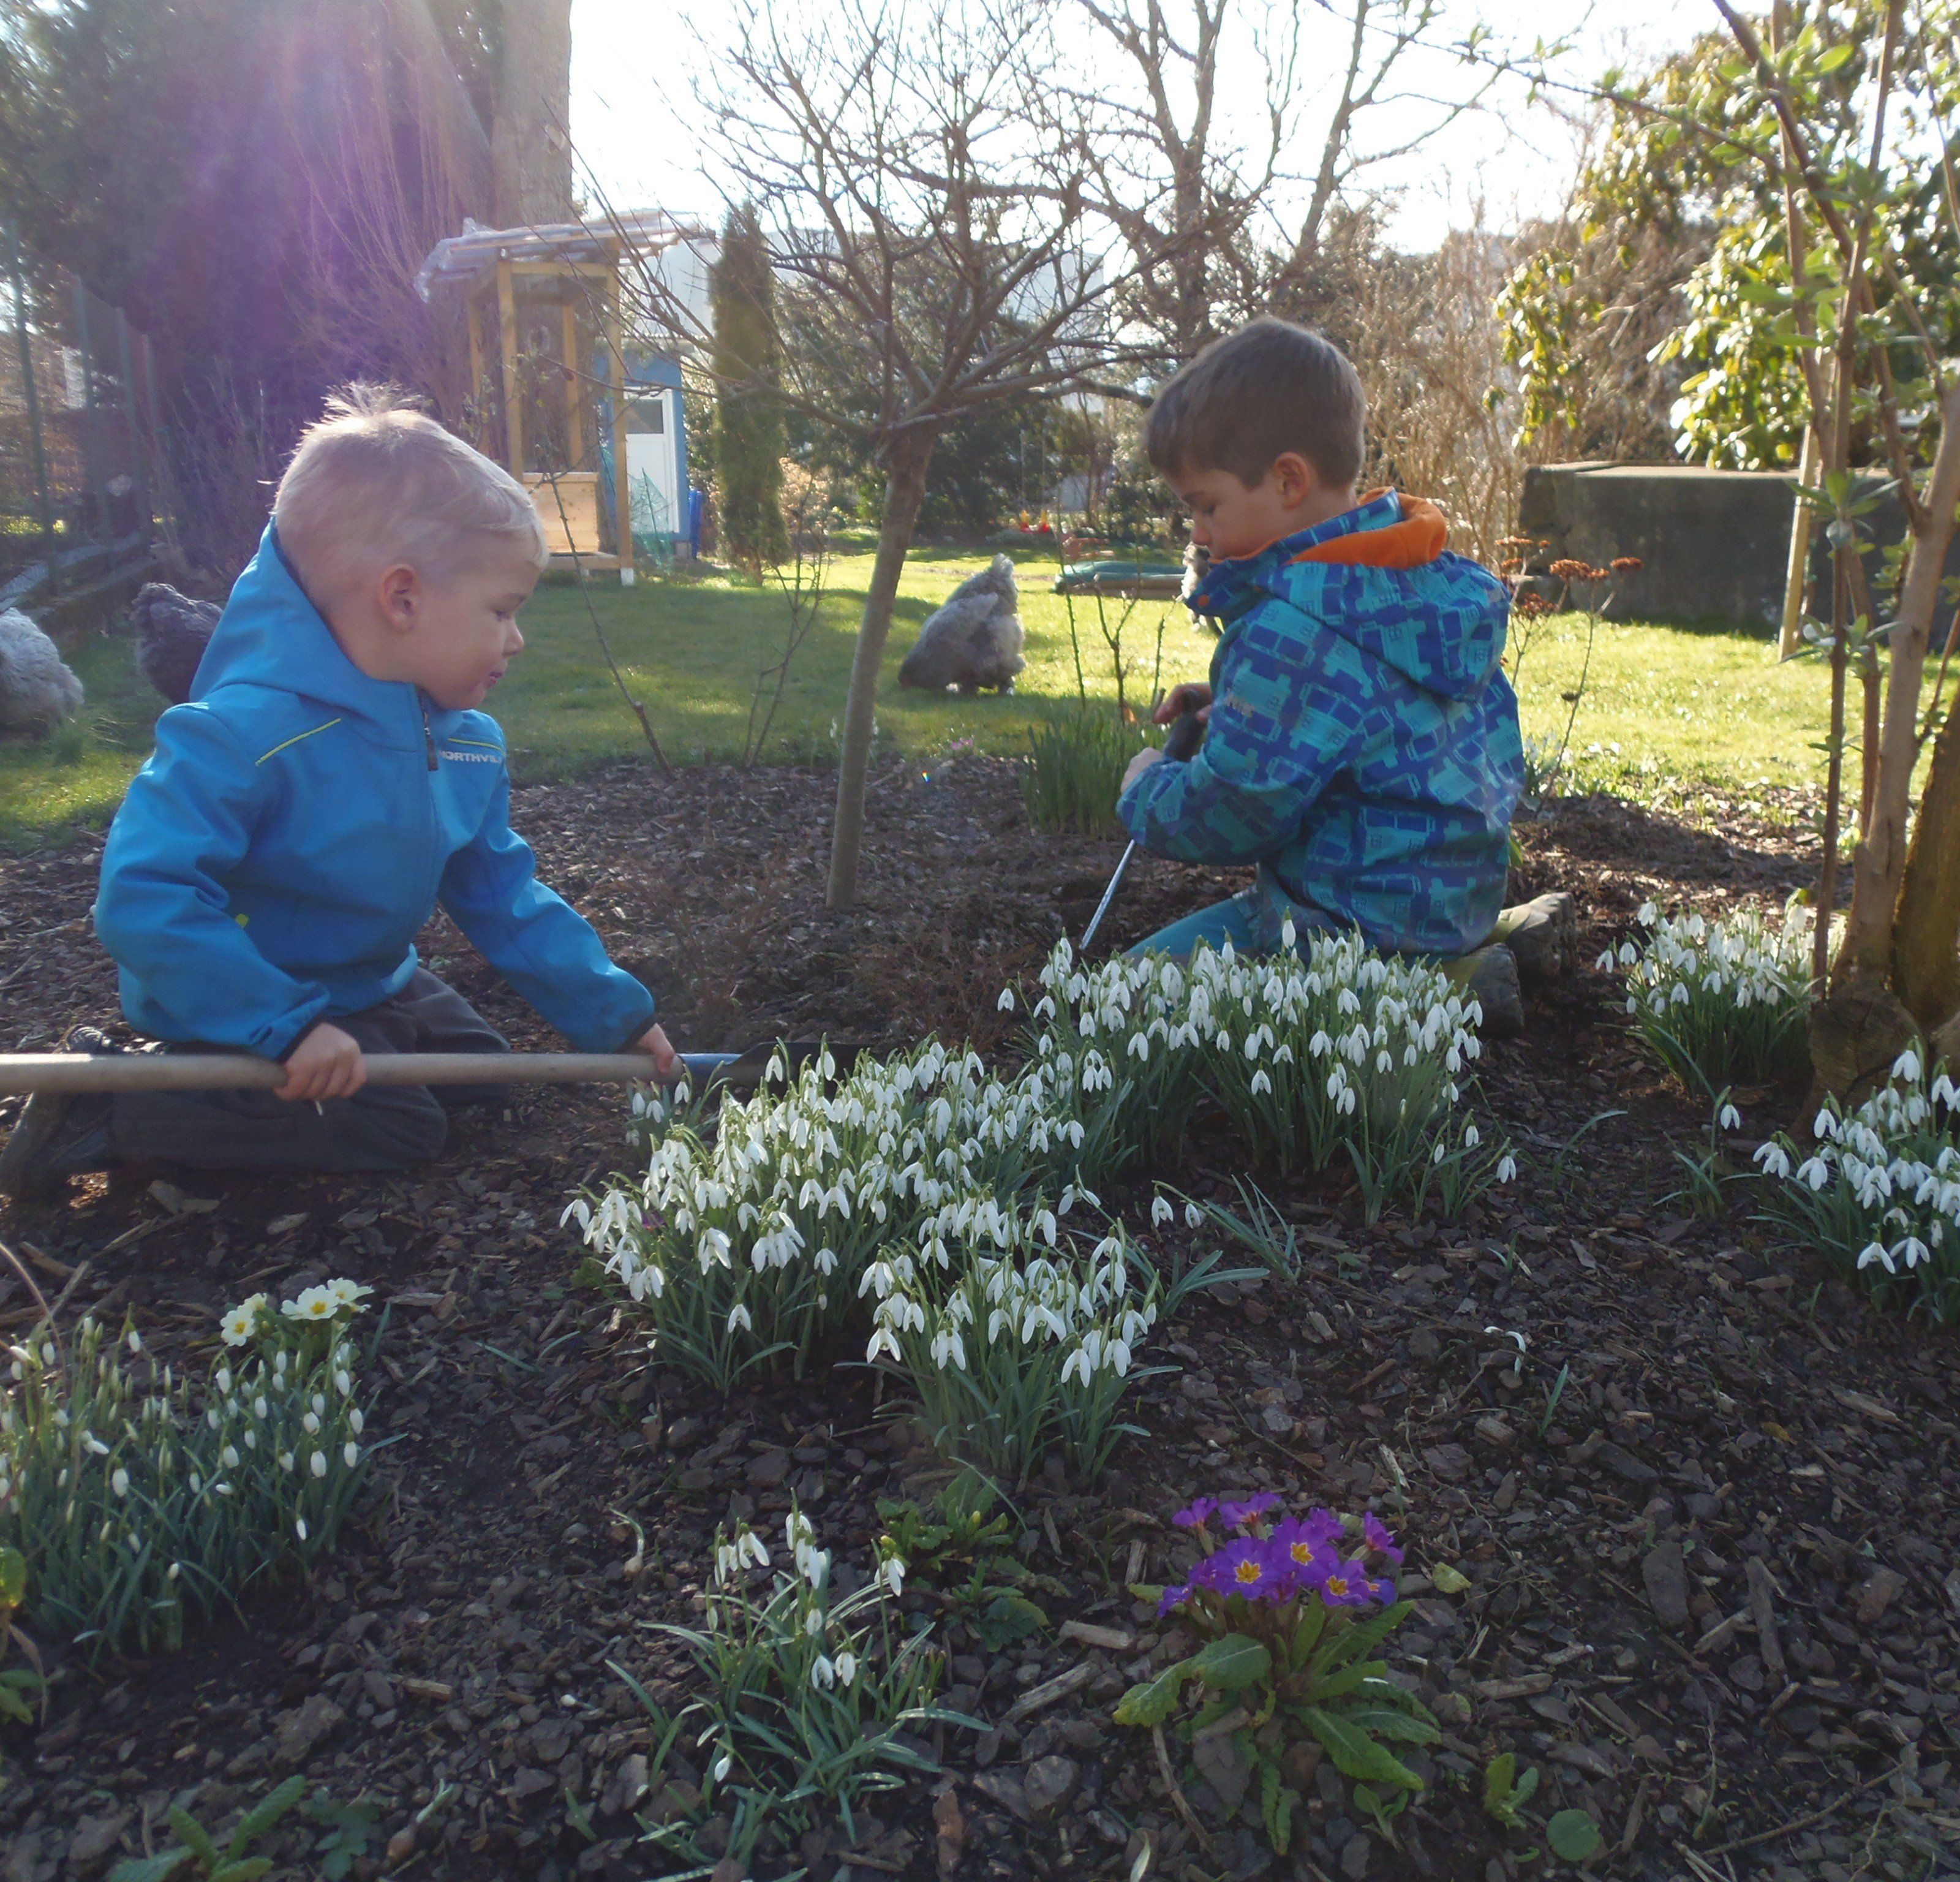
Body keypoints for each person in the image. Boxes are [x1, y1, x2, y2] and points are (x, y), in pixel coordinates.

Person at [1, 387, 677, 1200]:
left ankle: (314, 1059)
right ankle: (107, 1113)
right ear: (402, 599)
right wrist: (281, 1025)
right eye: (501, 611)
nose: (517, 638)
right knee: (399, 1124)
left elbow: (503, 895)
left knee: (481, 1079)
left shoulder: (463, 743)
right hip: (242, 993)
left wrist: (617, 1017)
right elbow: (143, 898)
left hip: (365, 975)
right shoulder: (242, 737)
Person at [1116, 317, 1539, 1008]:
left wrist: (1147, 786)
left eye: (1206, 506)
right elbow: (1381, 715)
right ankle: (1469, 957)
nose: (1198, 532)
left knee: (1124, 996)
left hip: (1337, 926)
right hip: (1447, 898)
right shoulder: (1414, 579)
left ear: (1286, 480)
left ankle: (1436, 997)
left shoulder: (1293, 630)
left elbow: (1238, 809)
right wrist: (1236, 705)